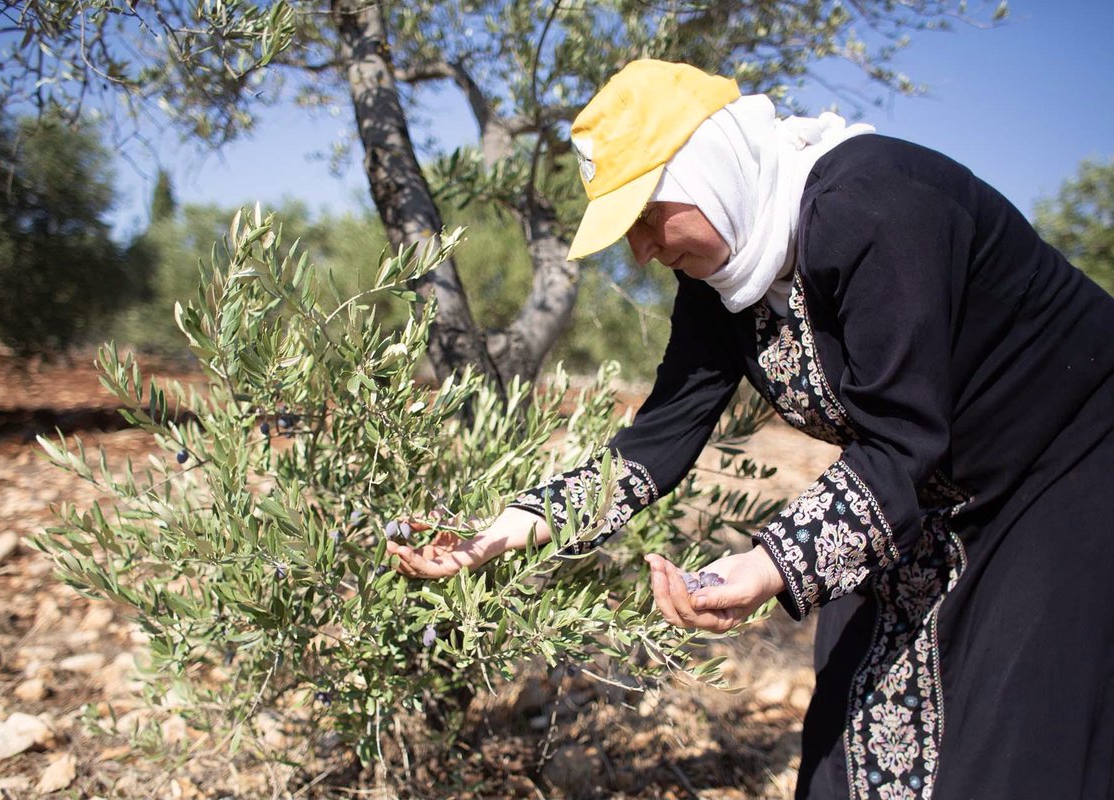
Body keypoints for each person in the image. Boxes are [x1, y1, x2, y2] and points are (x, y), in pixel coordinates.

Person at [387, 59, 1114, 799]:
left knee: (1017, 742)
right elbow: (654, 440)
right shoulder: (723, 280)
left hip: (1067, 471)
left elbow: (900, 439)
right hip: (925, 491)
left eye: (646, 213)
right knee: (853, 739)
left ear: (711, 169)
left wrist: (765, 567)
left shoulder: (873, 206)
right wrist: (504, 531)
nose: (640, 249)